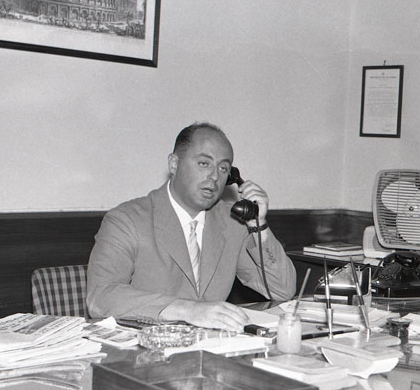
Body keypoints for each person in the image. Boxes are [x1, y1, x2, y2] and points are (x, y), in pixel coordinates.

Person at [86, 122, 296, 332]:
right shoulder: (126, 220)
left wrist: (259, 227)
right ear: (174, 164)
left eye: (223, 168)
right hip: (147, 345)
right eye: (204, 164)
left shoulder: (233, 222)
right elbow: (101, 296)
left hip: (213, 345)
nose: (214, 176)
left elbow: (282, 290)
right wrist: (188, 310)